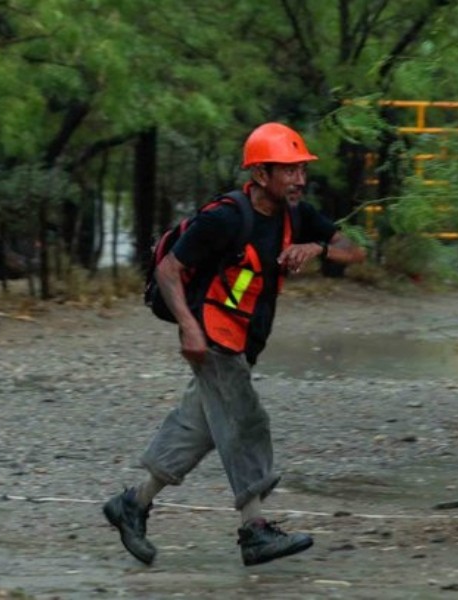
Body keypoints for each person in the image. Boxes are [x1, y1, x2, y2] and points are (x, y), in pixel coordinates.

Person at [103, 122, 367, 567]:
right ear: (261, 174)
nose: (299, 179)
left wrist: (315, 248)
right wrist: (188, 327)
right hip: (212, 336)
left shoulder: (297, 214)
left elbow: (354, 249)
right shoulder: (225, 217)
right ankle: (254, 529)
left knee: (200, 428)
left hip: (244, 342)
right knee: (245, 421)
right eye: (288, 170)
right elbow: (168, 270)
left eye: (302, 169)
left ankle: (133, 504)